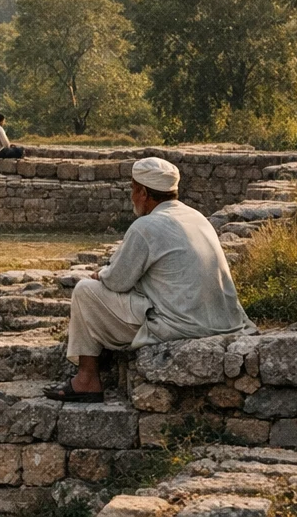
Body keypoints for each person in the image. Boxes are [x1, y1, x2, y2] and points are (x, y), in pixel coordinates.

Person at [45, 157, 255, 402]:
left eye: (133, 190)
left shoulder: (147, 225)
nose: (132, 197)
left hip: (183, 324)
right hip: (224, 320)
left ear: (143, 192)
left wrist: (100, 274)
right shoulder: (198, 218)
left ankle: (86, 379)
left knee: (84, 290)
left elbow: (117, 282)